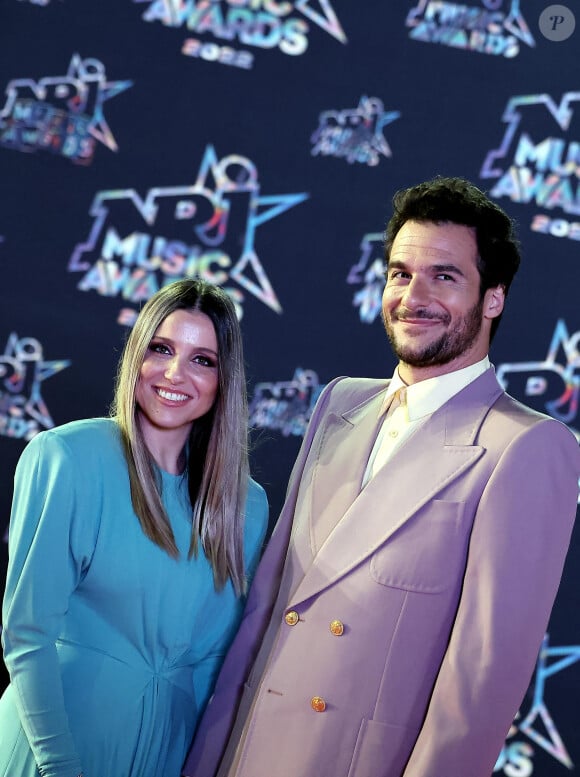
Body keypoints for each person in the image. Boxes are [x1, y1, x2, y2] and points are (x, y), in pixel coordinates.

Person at [183, 177, 580, 777]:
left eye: (444, 276)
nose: (413, 296)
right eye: (400, 273)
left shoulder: (524, 446)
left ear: (493, 297)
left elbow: (478, 690)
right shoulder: (338, 404)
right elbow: (268, 606)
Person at [0, 279, 268, 777]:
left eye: (202, 360)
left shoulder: (244, 507)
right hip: (54, 751)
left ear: (223, 380)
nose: (174, 373)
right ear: (136, 355)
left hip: (165, 758)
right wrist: (61, 767)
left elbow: (213, 670)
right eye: (161, 349)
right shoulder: (68, 458)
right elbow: (27, 634)